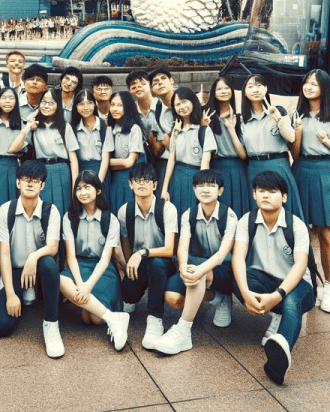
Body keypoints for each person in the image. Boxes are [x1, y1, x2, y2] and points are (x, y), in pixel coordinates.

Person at [232, 170, 316, 385]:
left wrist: (277, 295)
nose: (266, 195)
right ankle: (279, 316)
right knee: (240, 278)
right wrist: (244, 293)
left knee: (290, 303)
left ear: (284, 197)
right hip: (264, 280)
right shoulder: (246, 221)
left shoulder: (296, 225)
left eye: (272, 191)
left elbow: (300, 265)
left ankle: (279, 357)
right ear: (254, 194)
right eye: (261, 191)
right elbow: (238, 258)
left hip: (298, 285)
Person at [157, 169, 238, 354]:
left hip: (225, 268)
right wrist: (183, 266)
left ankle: (183, 331)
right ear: (194, 189)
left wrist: (198, 270)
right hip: (197, 262)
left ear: (220, 190)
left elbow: (222, 254)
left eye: (211, 185)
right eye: (200, 185)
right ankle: (219, 299)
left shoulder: (230, 216)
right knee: (172, 297)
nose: (205, 189)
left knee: (197, 274)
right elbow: (182, 248)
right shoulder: (189, 214)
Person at [291, 70, 330, 313]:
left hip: (326, 170)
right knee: (299, 232)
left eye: (313, 83)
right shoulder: (297, 115)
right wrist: (296, 132)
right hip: (300, 170)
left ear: (324, 87)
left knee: (326, 233)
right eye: (306, 82)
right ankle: (307, 282)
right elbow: (294, 154)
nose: (308, 86)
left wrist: (326, 141)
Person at [0, 161, 64, 358]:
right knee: (0, 326)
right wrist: (11, 295)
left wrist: (33, 257)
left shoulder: (51, 211)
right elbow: (4, 255)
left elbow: (53, 247)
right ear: (17, 183)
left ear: (43, 185)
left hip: (38, 268)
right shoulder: (5, 211)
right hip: (14, 270)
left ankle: (51, 324)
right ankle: (23, 293)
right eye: (25, 179)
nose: (30, 184)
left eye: (35, 180)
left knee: (48, 264)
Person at [59, 171, 129, 350]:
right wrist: (81, 283)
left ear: (98, 190)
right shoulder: (69, 217)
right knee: (61, 280)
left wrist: (87, 286)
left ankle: (102, 313)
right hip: (79, 265)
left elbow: (105, 260)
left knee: (94, 320)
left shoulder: (110, 220)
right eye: (79, 188)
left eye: (87, 187)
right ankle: (113, 318)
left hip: (103, 270)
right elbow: (71, 257)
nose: (82, 192)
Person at [118, 163, 178, 348]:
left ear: (155, 185)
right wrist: (130, 263)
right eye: (137, 180)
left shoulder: (167, 209)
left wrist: (142, 253)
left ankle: (155, 319)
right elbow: (126, 241)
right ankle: (145, 287)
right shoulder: (124, 211)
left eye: (146, 180)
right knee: (128, 294)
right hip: (140, 263)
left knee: (156, 264)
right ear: (130, 184)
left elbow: (170, 249)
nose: (141, 184)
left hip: (164, 262)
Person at [240, 74, 304, 221]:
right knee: (257, 213)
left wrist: (278, 119)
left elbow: (291, 138)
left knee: (285, 212)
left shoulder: (278, 111)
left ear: (266, 88)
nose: (255, 89)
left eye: (259, 85)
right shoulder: (242, 119)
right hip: (254, 168)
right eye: (250, 86)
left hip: (278, 165)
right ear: (244, 92)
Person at [161, 87, 216, 217]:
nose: (182, 107)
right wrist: (164, 189)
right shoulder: (175, 131)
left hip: (196, 178)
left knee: (194, 217)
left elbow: (205, 162)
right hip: (177, 179)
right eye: (177, 104)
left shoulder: (204, 130)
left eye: (184, 102)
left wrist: (203, 188)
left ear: (192, 101)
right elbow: (171, 160)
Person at [26, 88, 79, 219]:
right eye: (44, 102)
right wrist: (36, 114)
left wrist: (75, 186)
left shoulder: (65, 127)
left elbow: (73, 158)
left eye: (52, 103)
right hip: (41, 172)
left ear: (58, 106)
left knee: (62, 209)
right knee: (43, 211)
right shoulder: (34, 126)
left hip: (61, 171)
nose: (47, 106)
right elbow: (17, 145)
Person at [202, 76, 249, 217]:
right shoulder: (208, 118)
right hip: (215, 168)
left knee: (238, 211)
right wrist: (203, 126)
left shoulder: (240, 118)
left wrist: (231, 129)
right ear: (213, 93)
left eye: (226, 88)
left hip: (237, 170)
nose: (223, 91)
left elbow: (243, 154)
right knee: (219, 212)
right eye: (219, 89)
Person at [104, 91, 145, 212]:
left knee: (128, 213)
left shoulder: (134, 129)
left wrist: (104, 163)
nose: (114, 109)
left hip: (129, 180)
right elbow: (124, 162)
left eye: (120, 105)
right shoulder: (109, 128)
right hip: (112, 179)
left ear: (128, 107)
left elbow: (129, 162)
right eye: (112, 105)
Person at [70, 89, 110, 202]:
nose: (85, 107)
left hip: (100, 173)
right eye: (81, 104)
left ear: (95, 104)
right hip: (81, 173)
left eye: (89, 103)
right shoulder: (73, 128)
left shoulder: (104, 126)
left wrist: (98, 183)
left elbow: (105, 159)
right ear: (76, 107)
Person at [127, 71, 168, 164]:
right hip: (142, 160)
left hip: (165, 160)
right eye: (133, 85)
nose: (138, 87)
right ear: (130, 90)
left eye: (142, 84)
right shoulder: (130, 111)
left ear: (150, 86)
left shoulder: (163, 107)